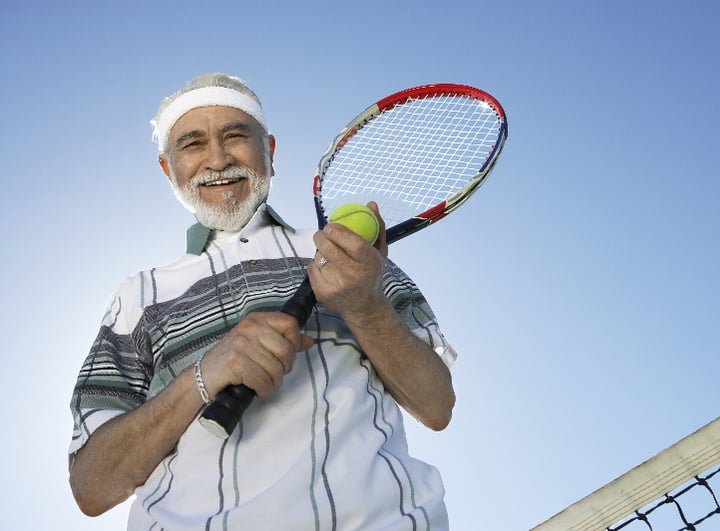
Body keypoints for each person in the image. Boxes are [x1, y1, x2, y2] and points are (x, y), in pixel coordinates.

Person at [68, 73, 457, 530]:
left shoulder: (352, 258)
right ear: (167, 169)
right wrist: (202, 377)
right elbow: (91, 486)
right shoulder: (138, 295)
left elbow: (437, 405)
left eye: (235, 136)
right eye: (193, 144)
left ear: (269, 152)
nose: (217, 159)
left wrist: (364, 307)